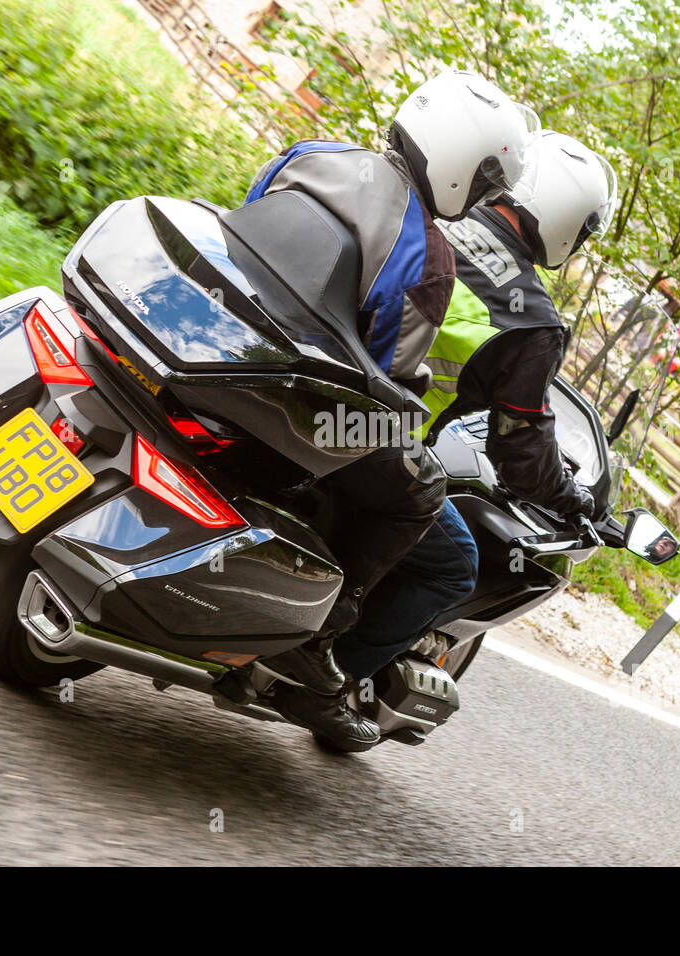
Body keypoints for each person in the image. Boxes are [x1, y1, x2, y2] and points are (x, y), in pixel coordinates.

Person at [250, 71, 538, 750]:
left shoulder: (312, 153)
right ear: (467, 171)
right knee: (439, 531)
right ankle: (319, 649)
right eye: (489, 182)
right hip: (303, 409)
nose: (488, 197)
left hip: (227, 347)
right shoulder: (427, 254)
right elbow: (385, 382)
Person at [332, 129, 619, 685]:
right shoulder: (532, 320)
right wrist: (572, 498)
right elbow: (521, 448)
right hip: (374, 435)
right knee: (453, 566)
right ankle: (332, 677)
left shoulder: (429, 210)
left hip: (317, 383)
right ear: (565, 219)